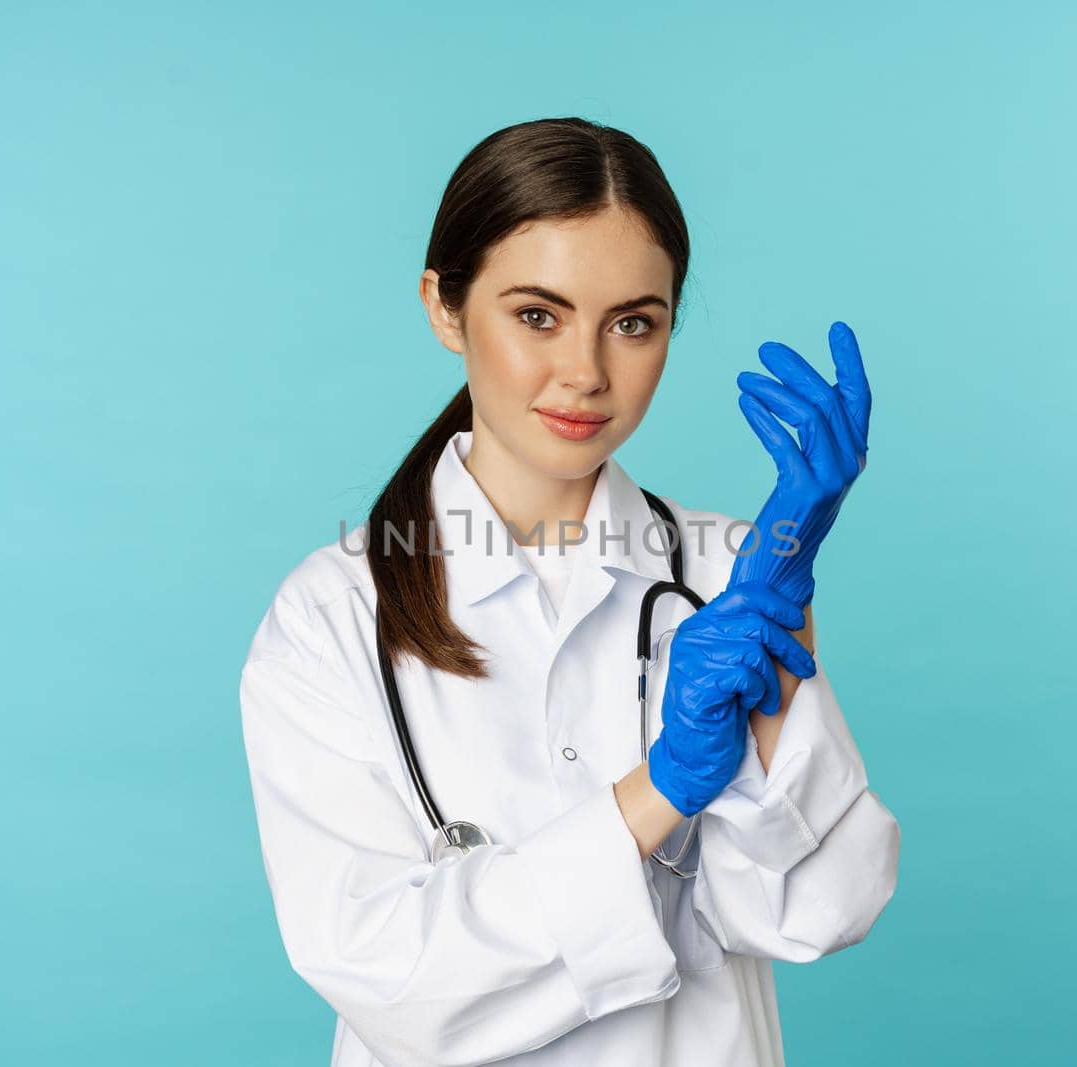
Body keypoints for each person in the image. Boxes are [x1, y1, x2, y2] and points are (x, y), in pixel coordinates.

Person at [239, 116, 900, 1067]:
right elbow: (392, 986)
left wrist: (774, 688)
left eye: (633, 322)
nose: (587, 373)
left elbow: (818, 913)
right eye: (537, 315)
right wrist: (662, 790)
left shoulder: (728, 575)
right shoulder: (332, 617)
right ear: (444, 307)